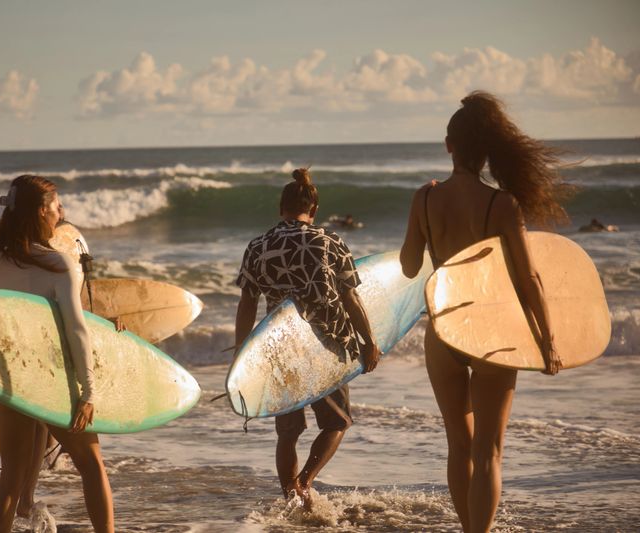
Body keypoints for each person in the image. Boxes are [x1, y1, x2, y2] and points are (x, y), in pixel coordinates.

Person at [399, 91, 566, 532]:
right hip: (492, 332)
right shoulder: (502, 204)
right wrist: (547, 342)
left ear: (448, 145)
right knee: (489, 450)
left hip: (444, 330)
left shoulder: (425, 198)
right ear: (486, 151)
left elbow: (410, 266)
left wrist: (422, 227)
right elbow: (529, 280)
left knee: (459, 443)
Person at [234, 168, 380, 510]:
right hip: (325, 345)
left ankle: (290, 499)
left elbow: (247, 303)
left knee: (288, 431)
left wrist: (244, 352)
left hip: (280, 349)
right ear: (313, 210)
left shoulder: (258, 246)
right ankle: (305, 482)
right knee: (337, 422)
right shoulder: (329, 241)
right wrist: (369, 340)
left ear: (280, 207)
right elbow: (350, 299)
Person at [0, 174, 114, 533]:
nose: (62, 211)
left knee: (9, 481)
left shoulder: (1, 261)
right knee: (92, 466)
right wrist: (88, 392)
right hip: (53, 378)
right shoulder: (58, 265)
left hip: (12, 379)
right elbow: (75, 330)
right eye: (57, 206)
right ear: (42, 211)